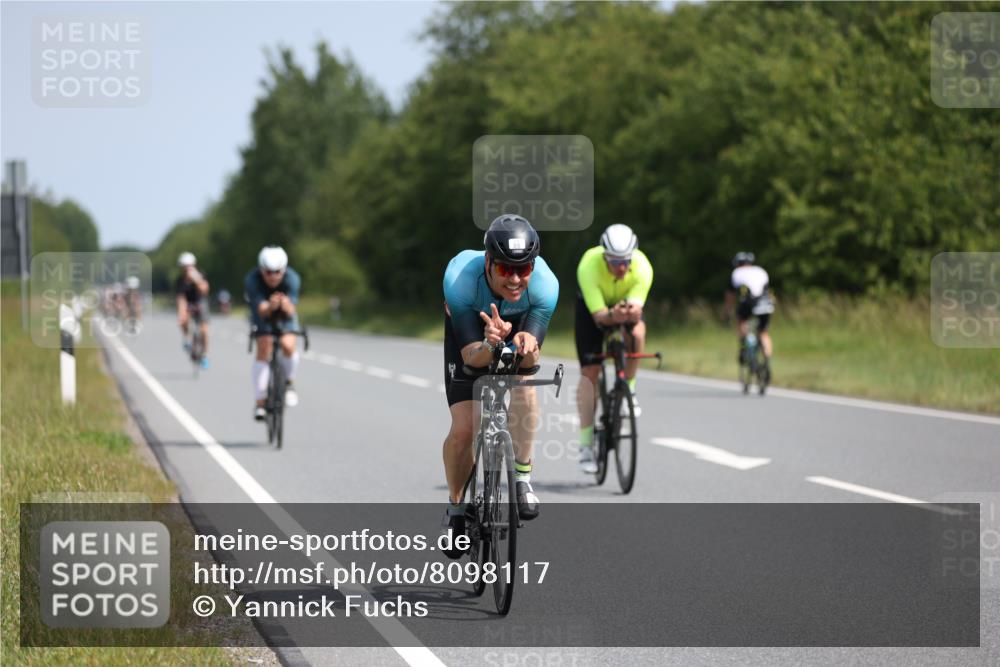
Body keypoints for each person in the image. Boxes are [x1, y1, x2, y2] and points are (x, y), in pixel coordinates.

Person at [441, 214, 559, 557]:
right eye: (507, 269)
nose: (516, 279)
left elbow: (531, 353)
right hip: (474, 331)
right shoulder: (460, 280)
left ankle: (521, 476)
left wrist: (524, 343)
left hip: (518, 322)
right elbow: (471, 356)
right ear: (489, 262)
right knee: (465, 428)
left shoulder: (545, 286)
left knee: (524, 384)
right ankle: (456, 509)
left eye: (524, 269)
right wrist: (491, 345)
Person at [574, 224, 653, 474]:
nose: (621, 267)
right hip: (593, 311)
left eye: (625, 261)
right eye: (615, 261)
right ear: (604, 255)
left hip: (622, 304)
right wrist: (612, 315)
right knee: (590, 373)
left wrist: (627, 313)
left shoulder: (642, 267)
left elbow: (635, 311)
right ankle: (586, 444)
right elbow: (599, 317)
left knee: (638, 332)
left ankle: (628, 387)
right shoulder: (588, 265)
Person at [245, 246, 302, 421]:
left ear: (283, 270)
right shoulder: (252, 280)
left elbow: (291, 310)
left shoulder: (292, 279)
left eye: (277, 272)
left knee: (287, 344)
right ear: (261, 270)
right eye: (268, 272)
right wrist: (271, 305)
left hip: (285, 315)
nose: (272, 276)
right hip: (263, 313)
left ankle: (289, 384)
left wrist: (283, 304)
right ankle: (260, 402)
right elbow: (261, 310)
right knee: (264, 346)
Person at [726, 251, 774, 369]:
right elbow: (767, 291)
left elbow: (730, 297)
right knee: (763, 333)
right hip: (766, 302)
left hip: (749, 301)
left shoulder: (736, 272)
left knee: (742, 321)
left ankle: (743, 346)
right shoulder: (760, 270)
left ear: (737, 263)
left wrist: (728, 312)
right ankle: (767, 362)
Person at [176, 252, 210, 368]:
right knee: (183, 320)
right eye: (185, 267)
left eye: (190, 266)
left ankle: (204, 355)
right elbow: (181, 299)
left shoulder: (200, 275)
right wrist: (182, 314)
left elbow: (204, 290)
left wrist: (196, 279)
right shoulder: (180, 280)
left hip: (201, 301)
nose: (187, 270)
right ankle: (187, 339)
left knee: (204, 330)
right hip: (188, 303)